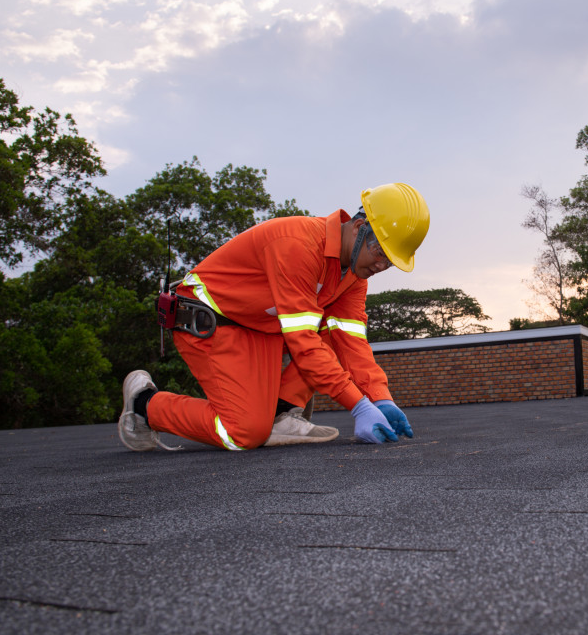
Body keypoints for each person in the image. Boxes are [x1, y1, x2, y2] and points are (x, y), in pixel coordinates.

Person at [117, 182, 430, 451]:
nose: (381, 267)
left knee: (333, 333)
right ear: (360, 229)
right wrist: (358, 405)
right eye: (380, 254)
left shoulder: (353, 277)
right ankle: (144, 406)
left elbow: (351, 343)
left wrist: (380, 397)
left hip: (260, 329)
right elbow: (303, 343)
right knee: (243, 433)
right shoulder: (298, 245)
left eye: (390, 262)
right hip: (210, 321)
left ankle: (282, 415)